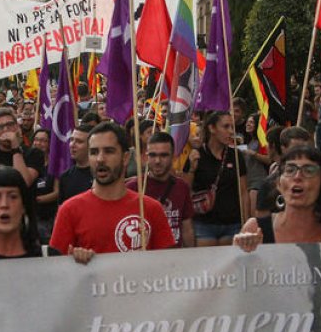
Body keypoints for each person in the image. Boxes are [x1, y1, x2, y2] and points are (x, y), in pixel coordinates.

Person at [50, 122, 176, 261]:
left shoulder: (151, 208)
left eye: (109, 151)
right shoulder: (69, 210)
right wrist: (74, 262)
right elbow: (56, 272)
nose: (100, 159)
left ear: (126, 157)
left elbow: (167, 267)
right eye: (94, 152)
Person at [185, 111, 247, 246]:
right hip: (204, 224)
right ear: (212, 128)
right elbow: (186, 191)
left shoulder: (236, 156)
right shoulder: (196, 155)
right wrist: (191, 169)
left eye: (232, 127)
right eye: (225, 127)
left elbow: (243, 192)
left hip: (232, 224)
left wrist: (246, 223)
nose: (231, 131)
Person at [127, 131, 195, 248]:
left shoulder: (182, 187)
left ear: (174, 157)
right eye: (152, 155)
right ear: (146, 156)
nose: (157, 161)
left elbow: (187, 228)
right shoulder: (133, 188)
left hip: (173, 258)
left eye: (163, 155)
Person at [0, 107, 45, 204]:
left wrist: (15, 147)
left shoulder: (33, 154)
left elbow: (23, 182)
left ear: (17, 127)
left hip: (25, 215)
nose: (5, 129)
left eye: (9, 124)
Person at [31, 128, 59, 245]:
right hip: (32, 216)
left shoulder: (55, 165)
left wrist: (36, 199)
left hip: (49, 218)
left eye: (43, 141)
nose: (38, 143)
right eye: (36, 140)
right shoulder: (27, 162)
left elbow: (57, 193)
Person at [58, 124, 95, 204]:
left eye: (79, 141)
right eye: (71, 140)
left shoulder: (100, 175)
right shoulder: (65, 177)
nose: (72, 145)